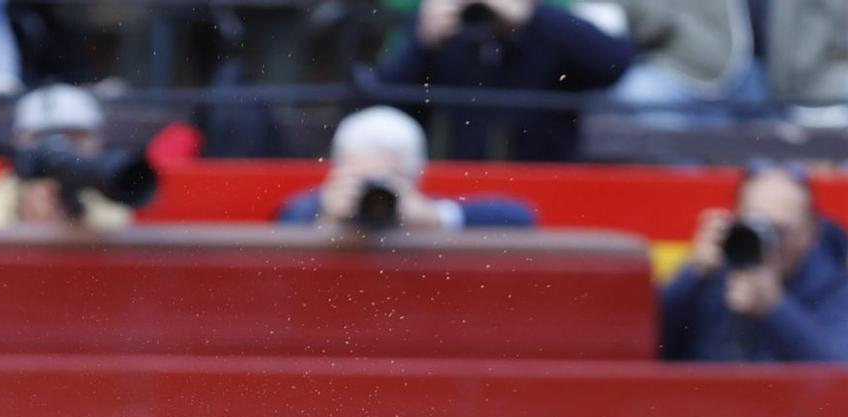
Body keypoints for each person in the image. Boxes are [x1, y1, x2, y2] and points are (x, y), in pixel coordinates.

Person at [377, 0, 635, 161]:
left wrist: (532, 17)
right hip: (449, 179)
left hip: (544, 180)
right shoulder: (438, 20)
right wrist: (423, 44)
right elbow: (383, 107)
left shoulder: (553, 23)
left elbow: (612, 66)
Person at [659, 161, 848, 363]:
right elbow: (647, 346)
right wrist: (692, 275)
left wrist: (775, 307)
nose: (767, 242)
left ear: (810, 233)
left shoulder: (835, 288)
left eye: (780, 231)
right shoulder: (711, 274)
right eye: (754, 225)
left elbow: (839, 372)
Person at [277, 105, 537, 229]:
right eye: (360, 179)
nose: (373, 193)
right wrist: (326, 217)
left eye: (385, 180)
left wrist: (433, 216)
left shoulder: (422, 210)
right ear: (338, 172)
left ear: (415, 178)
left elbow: (521, 219)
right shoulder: (313, 206)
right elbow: (284, 221)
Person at [611, 0, 848, 128]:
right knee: (639, 94)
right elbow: (644, 17)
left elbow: (838, 30)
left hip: (793, 84)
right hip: (691, 70)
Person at [0, 83, 138, 229]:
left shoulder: (107, 202)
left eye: (74, 137)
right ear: (20, 143)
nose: (62, 150)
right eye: (43, 139)